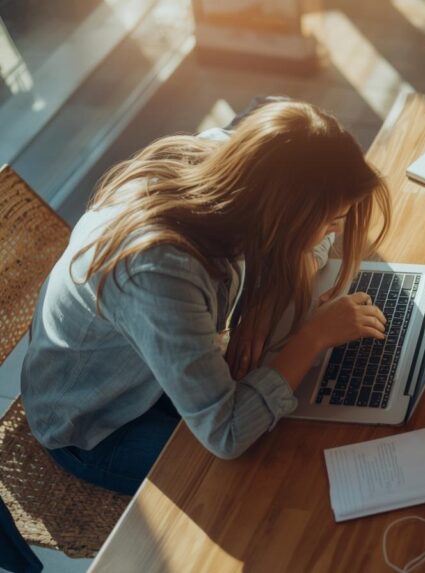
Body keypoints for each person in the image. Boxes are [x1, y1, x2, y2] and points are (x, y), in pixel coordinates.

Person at [21, 100, 392, 495]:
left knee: (302, 419)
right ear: (283, 219)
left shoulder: (230, 167)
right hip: (98, 422)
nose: (332, 236)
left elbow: (300, 241)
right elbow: (227, 432)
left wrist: (262, 305)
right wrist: (313, 338)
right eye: (328, 223)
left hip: (151, 369)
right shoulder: (161, 272)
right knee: (275, 478)